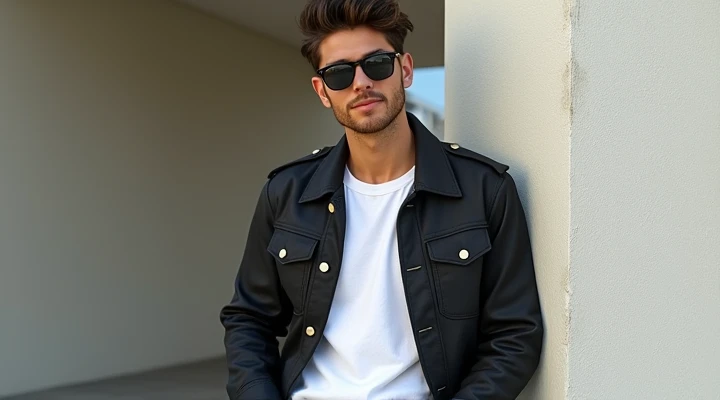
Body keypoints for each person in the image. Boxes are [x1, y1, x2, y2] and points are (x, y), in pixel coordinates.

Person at [220, 0, 543, 399]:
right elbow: (249, 319)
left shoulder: (483, 190)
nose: (360, 83)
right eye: (339, 74)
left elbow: (515, 335)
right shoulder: (287, 193)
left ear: (404, 69)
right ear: (323, 91)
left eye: (375, 64)